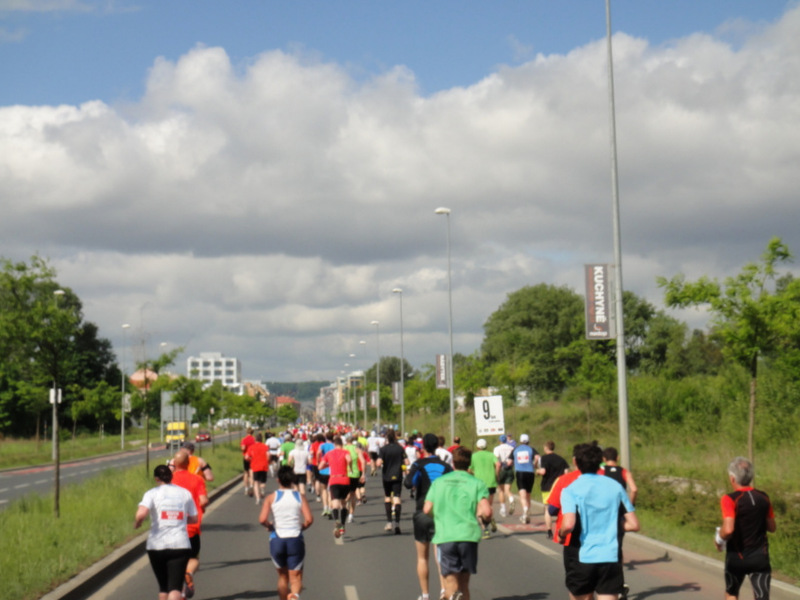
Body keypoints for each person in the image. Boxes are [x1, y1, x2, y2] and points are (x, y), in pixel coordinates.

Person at [559, 444, 639, 600]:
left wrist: (562, 534)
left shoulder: (570, 490)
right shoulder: (616, 487)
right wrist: (611, 523)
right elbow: (634, 525)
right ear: (600, 463)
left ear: (575, 462)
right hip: (610, 556)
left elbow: (568, 524)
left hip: (581, 556)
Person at [424, 446, 492, 600]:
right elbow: (487, 512)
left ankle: (454, 595)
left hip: (446, 535)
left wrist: (439, 515)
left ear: (453, 463)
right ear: (469, 464)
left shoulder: (439, 483)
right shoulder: (477, 483)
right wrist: (486, 520)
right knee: (464, 583)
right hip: (468, 536)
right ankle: (460, 595)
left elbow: (427, 508)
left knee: (450, 582)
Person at [715, 457, 776, 600]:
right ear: (751, 477)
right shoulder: (764, 497)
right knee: (762, 596)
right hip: (760, 557)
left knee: (732, 593)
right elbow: (772, 527)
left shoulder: (729, 499)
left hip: (737, 557)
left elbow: (728, 529)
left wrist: (719, 538)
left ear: (732, 479)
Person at [135, 464, 198, 600]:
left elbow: (141, 513)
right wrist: (179, 520)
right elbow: (194, 518)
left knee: (163, 587)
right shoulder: (185, 493)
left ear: (156, 478)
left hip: (156, 546)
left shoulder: (151, 493)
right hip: (180, 544)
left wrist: (138, 523)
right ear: (171, 476)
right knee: (175, 587)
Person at [405, 433, 453, 600]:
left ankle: (425, 595)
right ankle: (443, 591)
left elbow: (408, 483)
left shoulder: (418, 464)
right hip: (441, 513)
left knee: (422, 557)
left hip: (422, 512)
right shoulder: (445, 466)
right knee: (440, 555)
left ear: (423, 447)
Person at [260, 465, 314, 600]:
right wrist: (301, 527)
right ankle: (294, 596)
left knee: (282, 576)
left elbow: (262, 519)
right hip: (295, 539)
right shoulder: (299, 497)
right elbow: (309, 520)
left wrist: (270, 526)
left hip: (277, 539)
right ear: (292, 480)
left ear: (278, 480)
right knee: (295, 577)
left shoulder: (271, 498)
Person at [170, 450, 208, 599]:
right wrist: (202, 508)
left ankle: (180, 593)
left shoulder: (168, 480)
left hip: (170, 529)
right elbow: (203, 500)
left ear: (174, 463)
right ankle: (189, 573)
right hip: (191, 528)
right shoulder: (197, 479)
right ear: (187, 464)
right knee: (193, 559)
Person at [317, 435, 352, 538]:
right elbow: (349, 460)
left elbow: (320, 467)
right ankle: (343, 525)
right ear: (342, 444)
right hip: (345, 479)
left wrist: (329, 465)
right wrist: (349, 467)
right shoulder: (346, 452)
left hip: (334, 479)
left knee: (335, 503)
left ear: (334, 445)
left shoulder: (329, 454)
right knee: (344, 504)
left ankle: (336, 520)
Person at [377, 428, 409, 534]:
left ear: (386, 437)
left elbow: (378, 463)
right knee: (397, 498)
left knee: (387, 498)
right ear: (395, 437)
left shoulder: (383, 449)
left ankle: (389, 522)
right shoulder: (400, 448)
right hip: (398, 475)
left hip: (387, 476)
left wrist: (380, 461)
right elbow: (407, 461)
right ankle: (397, 524)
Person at [536, 441, 569, 539]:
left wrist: (537, 471)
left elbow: (543, 471)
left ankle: (549, 531)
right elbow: (566, 472)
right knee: (562, 509)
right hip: (559, 487)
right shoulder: (561, 459)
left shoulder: (543, 458)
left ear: (546, 448)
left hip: (547, 487)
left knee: (547, 509)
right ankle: (561, 529)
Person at [469, 439, 498, 538]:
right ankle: (491, 518)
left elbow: (469, 469)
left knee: (479, 509)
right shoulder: (491, 455)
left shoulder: (474, 456)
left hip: (478, 484)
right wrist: (497, 474)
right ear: (486, 446)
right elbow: (498, 464)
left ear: (477, 447)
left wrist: (472, 475)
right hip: (491, 482)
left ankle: (485, 529)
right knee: (489, 505)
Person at [512, 434, 539, 524]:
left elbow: (509, 461)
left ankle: (525, 510)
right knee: (528, 494)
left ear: (520, 441)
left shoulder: (516, 449)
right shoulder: (531, 449)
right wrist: (535, 465)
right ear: (528, 441)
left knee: (522, 494)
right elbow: (537, 457)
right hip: (530, 473)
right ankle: (528, 511)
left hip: (520, 472)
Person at [493, 435, 515, 517]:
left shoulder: (497, 448)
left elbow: (496, 460)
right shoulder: (511, 448)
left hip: (501, 469)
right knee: (507, 490)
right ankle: (511, 499)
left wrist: (496, 473)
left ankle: (503, 509)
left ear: (499, 441)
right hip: (509, 469)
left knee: (501, 490)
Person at [246, 433, 270, 505]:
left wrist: (251, 459)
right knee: (263, 482)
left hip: (255, 466)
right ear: (261, 439)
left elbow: (246, 457)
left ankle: (258, 498)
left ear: (255, 439)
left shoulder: (251, 447)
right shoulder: (265, 446)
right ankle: (262, 490)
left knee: (256, 482)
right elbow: (268, 455)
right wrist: (267, 461)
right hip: (264, 466)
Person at [241, 427, 256, 496]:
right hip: (253, 457)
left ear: (246, 432)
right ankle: (251, 486)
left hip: (246, 457)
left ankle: (246, 488)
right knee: (251, 472)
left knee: (246, 472)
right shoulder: (254, 439)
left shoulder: (244, 439)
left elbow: (243, 448)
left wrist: (243, 450)